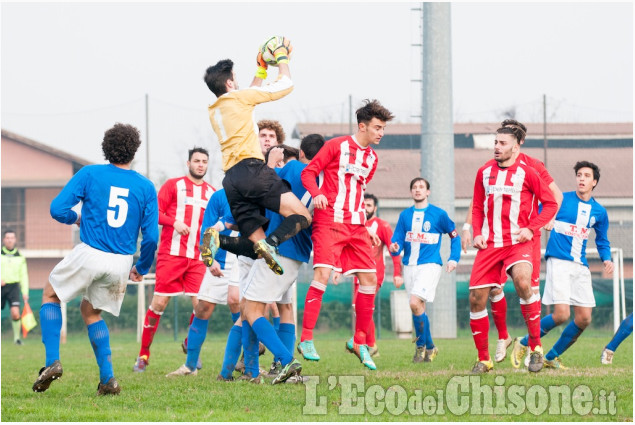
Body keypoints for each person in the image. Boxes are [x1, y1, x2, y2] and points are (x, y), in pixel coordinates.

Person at [33, 123, 158, 395]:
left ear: (106, 148)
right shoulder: (146, 187)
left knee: (50, 295)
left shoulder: (90, 174)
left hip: (90, 252)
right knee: (91, 312)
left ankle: (51, 362)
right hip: (122, 262)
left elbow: (57, 209)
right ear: (134, 150)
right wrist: (142, 267)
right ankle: (108, 380)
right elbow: (151, 238)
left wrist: (75, 217)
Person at [298, 99, 394, 371]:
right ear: (362, 126)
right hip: (330, 221)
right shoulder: (336, 146)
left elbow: (357, 192)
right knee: (323, 275)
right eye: (377, 127)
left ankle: (359, 340)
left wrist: (366, 227)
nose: (381, 133)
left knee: (370, 279)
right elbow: (309, 174)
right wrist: (317, 195)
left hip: (357, 226)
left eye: (383, 128)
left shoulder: (372, 159)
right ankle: (306, 338)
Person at [202, 38, 311, 276]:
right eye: (235, 78)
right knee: (302, 215)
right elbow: (286, 84)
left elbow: (249, 94)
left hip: (231, 181)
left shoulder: (216, 109)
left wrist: (261, 67)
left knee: (255, 248)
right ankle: (271, 244)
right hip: (252, 171)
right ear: (230, 82)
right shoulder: (240, 98)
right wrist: (281, 57)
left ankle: (219, 240)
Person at [461, 119, 563, 363]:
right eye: (495, 142)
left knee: (523, 282)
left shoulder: (531, 170)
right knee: (476, 298)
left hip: (520, 241)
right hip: (491, 244)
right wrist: (474, 231)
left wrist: (534, 226)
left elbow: (552, 201)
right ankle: (485, 359)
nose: (496, 146)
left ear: (517, 146)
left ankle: (535, 348)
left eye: (502, 142)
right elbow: (476, 205)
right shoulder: (484, 171)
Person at [240, 133, 325, 384]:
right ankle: (278, 367)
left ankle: (284, 362)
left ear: (300, 153)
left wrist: (270, 163)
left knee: (250, 308)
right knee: (285, 308)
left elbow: (261, 190)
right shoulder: (323, 181)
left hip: (278, 249)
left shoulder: (295, 168)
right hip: (299, 253)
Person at [512, 161, 614, 370]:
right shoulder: (560, 200)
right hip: (558, 261)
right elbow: (538, 214)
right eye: (579, 175)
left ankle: (551, 356)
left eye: (586, 176)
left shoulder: (599, 212)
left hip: (580, 265)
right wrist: (544, 221)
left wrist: (606, 258)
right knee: (561, 315)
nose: (582, 179)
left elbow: (602, 240)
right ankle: (524, 342)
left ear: (594, 182)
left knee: (584, 318)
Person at [133, 147, 214, 372]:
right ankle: (143, 355)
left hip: (198, 257)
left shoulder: (212, 193)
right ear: (188, 163)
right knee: (159, 303)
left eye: (204, 161)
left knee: (201, 306)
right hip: (171, 254)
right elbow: (154, 214)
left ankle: (192, 348)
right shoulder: (173, 185)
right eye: (196, 160)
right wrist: (173, 222)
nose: (200, 164)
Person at [166, 188, 241, 377]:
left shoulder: (256, 193)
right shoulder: (218, 197)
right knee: (202, 308)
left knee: (243, 312)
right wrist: (210, 259)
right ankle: (190, 366)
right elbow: (206, 230)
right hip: (220, 263)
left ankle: (249, 365)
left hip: (245, 263)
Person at [389, 178, 461, 363]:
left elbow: (455, 237)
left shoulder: (439, 214)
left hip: (430, 265)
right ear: (411, 192)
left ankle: (420, 346)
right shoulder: (405, 216)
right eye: (414, 187)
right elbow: (395, 240)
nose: (417, 190)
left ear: (428, 192)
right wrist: (394, 247)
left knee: (414, 303)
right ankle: (430, 347)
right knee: (418, 308)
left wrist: (453, 258)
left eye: (421, 187)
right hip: (409, 266)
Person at [347, 194, 403, 357]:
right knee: (358, 308)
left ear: (375, 208)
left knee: (362, 307)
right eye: (363, 204)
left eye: (369, 205)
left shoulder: (382, 225)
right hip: (357, 273)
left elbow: (394, 249)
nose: (366, 207)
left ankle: (369, 345)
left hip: (374, 274)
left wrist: (397, 273)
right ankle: (366, 344)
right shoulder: (357, 225)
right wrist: (337, 270)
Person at [1, 230, 30, 345]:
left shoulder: (20, 257)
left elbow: (24, 275)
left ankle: (17, 339)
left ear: (15, 240)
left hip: (13, 287)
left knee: (15, 313)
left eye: (12, 237)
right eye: (7, 238)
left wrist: (25, 292)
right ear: (4, 240)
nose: (9, 240)